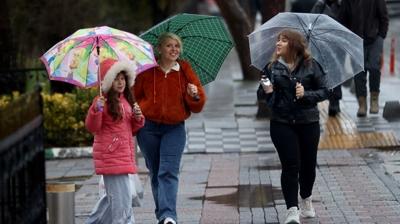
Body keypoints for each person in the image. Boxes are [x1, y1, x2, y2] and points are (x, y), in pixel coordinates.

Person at [133, 32, 206, 224]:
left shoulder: (184, 70)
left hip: (174, 129)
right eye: (169, 45)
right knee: (156, 172)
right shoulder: (146, 70)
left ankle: (168, 216)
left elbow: (198, 105)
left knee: (168, 171)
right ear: (159, 49)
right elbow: (134, 96)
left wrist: (194, 94)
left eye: (177, 46)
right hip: (147, 128)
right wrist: (136, 108)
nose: (174, 49)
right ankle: (163, 215)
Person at [257, 29, 329, 224]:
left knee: (308, 166)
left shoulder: (312, 66)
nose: (278, 44)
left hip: (308, 122)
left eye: (283, 40)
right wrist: (267, 91)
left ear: (295, 45)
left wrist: (306, 94)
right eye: (278, 40)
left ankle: (306, 197)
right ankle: (292, 209)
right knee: (290, 165)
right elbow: (261, 95)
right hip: (281, 122)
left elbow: (325, 90)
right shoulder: (271, 67)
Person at [85, 59, 145, 224]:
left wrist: (138, 118)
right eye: (116, 79)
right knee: (121, 201)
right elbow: (93, 127)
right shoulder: (102, 102)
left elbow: (129, 129)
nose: (120, 82)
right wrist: (95, 110)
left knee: (112, 201)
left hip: (123, 155)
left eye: (123, 78)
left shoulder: (125, 101)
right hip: (111, 156)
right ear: (108, 81)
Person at [338, 0, 389, 117]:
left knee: (374, 68)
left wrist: (381, 35)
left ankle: (374, 99)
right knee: (359, 72)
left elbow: (384, 17)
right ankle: (362, 103)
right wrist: (347, 37)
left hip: (375, 38)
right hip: (355, 39)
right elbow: (342, 19)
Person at [311, 0, 343, 116]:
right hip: (321, 45)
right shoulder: (320, 5)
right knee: (318, 73)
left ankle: (334, 102)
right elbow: (312, 23)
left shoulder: (342, 6)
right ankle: (314, 99)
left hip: (338, 45)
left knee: (336, 74)